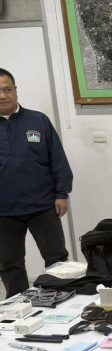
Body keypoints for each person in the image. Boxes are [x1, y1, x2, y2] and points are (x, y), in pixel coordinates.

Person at [0, 68, 73, 298]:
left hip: (43, 205)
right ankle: (17, 305)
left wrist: (62, 193)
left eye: (7, 89)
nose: (2, 96)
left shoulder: (38, 120)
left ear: (15, 90)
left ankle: (62, 301)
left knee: (57, 259)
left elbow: (58, 159)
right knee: (9, 264)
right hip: (4, 211)